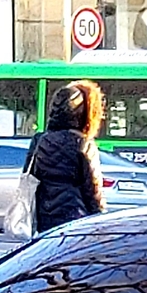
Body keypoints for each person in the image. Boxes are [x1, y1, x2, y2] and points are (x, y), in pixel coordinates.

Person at [24, 80, 103, 234]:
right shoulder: (83, 143)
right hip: (75, 218)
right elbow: (93, 192)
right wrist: (100, 223)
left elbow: (30, 177)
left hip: (43, 217)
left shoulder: (39, 140)